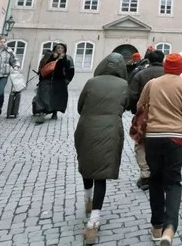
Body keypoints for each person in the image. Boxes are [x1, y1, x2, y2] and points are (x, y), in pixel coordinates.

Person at [134, 53, 182, 245]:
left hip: (153, 137)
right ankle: (170, 228)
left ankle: (156, 226)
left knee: (155, 180)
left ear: (164, 66)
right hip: (176, 138)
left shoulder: (152, 83)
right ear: (180, 69)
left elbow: (140, 105)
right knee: (173, 182)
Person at [74, 53, 129, 245]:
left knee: (87, 163)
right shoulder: (123, 85)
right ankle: (93, 222)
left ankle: (87, 199)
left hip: (87, 126)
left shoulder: (91, 81)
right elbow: (126, 105)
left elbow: (80, 107)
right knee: (102, 175)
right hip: (111, 129)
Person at [128, 49, 165, 190]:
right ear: (162, 60)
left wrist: (134, 110)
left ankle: (145, 175)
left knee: (140, 144)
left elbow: (132, 95)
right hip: (164, 114)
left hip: (144, 114)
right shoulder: (168, 75)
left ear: (148, 60)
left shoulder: (141, 74)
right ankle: (160, 173)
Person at [33, 43, 75, 124]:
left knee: (57, 97)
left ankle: (54, 112)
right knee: (42, 95)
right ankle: (41, 112)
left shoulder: (68, 58)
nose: (60, 49)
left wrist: (68, 79)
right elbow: (42, 66)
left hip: (60, 80)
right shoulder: (49, 56)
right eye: (58, 48)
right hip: (46, 79)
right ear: (55, 49)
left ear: (64, 50)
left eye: (62, 48)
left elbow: (71, 70)